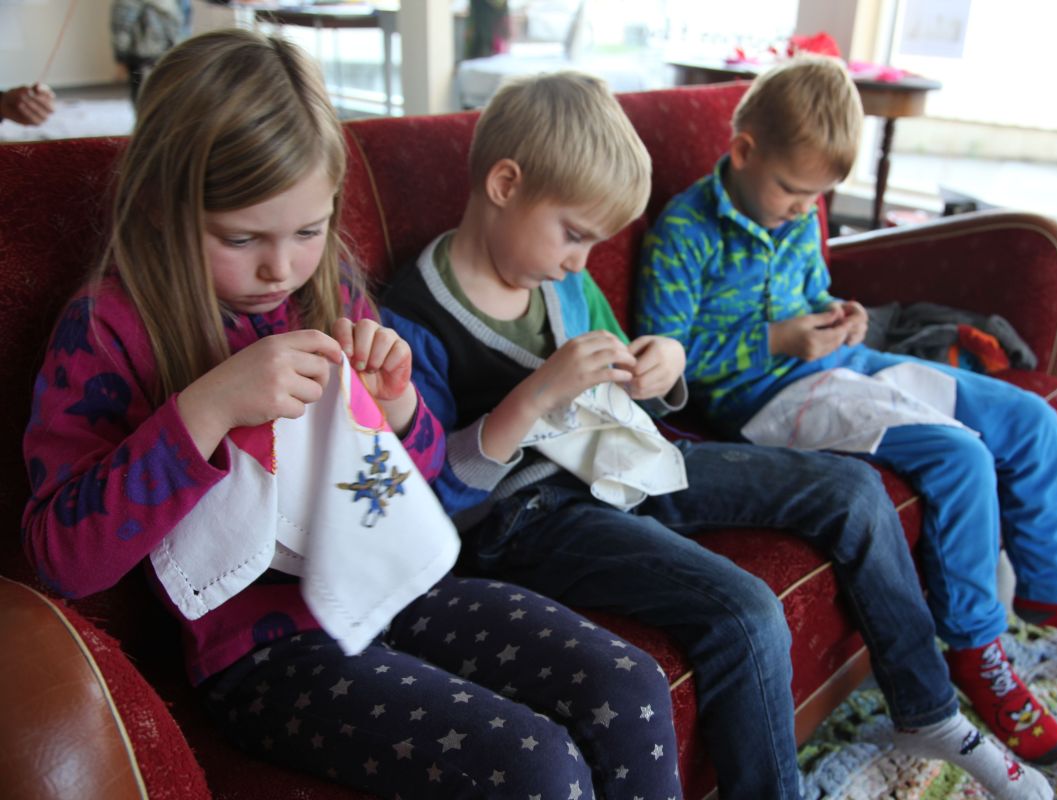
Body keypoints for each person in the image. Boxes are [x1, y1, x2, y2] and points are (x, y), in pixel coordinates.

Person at [22, 29, 683, 800]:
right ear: (161, 207)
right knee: (539, 767)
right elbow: (61, 559)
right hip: (262, 649)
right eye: (242, 237)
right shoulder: (108, 328)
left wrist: (399, 405)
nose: (280, 267)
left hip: (391, 575)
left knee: (629, 686)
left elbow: (421, 481)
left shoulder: (328, 285)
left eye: (308, 230)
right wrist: (205, 409)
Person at [379, 70, 1053, 799]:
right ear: (505, 185)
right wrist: (534, 397)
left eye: (593, 243)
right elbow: (440, 494)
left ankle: (927, 711)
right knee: (746, 610)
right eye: (574, 237)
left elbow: (624, 371)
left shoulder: (560, 279)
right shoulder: (412, 316)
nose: (580, 261)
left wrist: (662, 366)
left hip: (633, 456)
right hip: (531, 515)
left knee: (855, 491)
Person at [635, 53, 1057, 767]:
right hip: (761, 400)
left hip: (837, 363)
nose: (805, 209)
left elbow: (810, 292)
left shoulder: (794, 211)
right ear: (743, 151)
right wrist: (779, 339)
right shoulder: (686, 232)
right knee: (960, 456)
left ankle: (1051, 589)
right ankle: (974, 649)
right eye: (793, 191)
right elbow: (666, 359)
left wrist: (840, 314)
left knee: (1029, 420)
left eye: (818, 197)